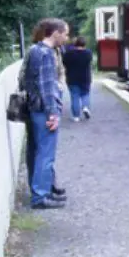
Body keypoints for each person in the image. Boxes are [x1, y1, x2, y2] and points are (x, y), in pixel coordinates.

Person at [22, 18, 69, 209]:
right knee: (45, 154)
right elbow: (47, 87)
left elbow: (25, 81)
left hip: (33, 108)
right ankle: (41, 196)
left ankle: (42, 191)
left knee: (35, 151)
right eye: (65, 33)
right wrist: (53, 114)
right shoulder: (47, 54)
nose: (66, 37)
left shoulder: (33, 51)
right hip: (44, 110)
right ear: (55, 33)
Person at [62, 36, 93, 121]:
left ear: (75, 44)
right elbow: (90, 62)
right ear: (84, 44)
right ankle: (85, 107)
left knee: (74, 96)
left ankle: (76, 117)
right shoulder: (88, 53)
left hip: (72, 78)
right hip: (85, 78)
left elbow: (64, 63)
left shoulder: (68, 53)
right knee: (85, 94)